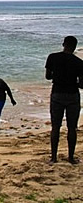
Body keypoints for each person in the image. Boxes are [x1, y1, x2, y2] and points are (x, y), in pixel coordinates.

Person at [45, 36, 83, 165]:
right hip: (72, 95)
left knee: (55, 127)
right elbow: (82, 84)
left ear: (63, 44)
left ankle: (54, 157)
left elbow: (47, 77)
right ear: (74, 47)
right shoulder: (79, 62)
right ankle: (71, 157)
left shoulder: (52, 57)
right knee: (72, 128)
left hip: (57, 94)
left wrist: (58, 76)